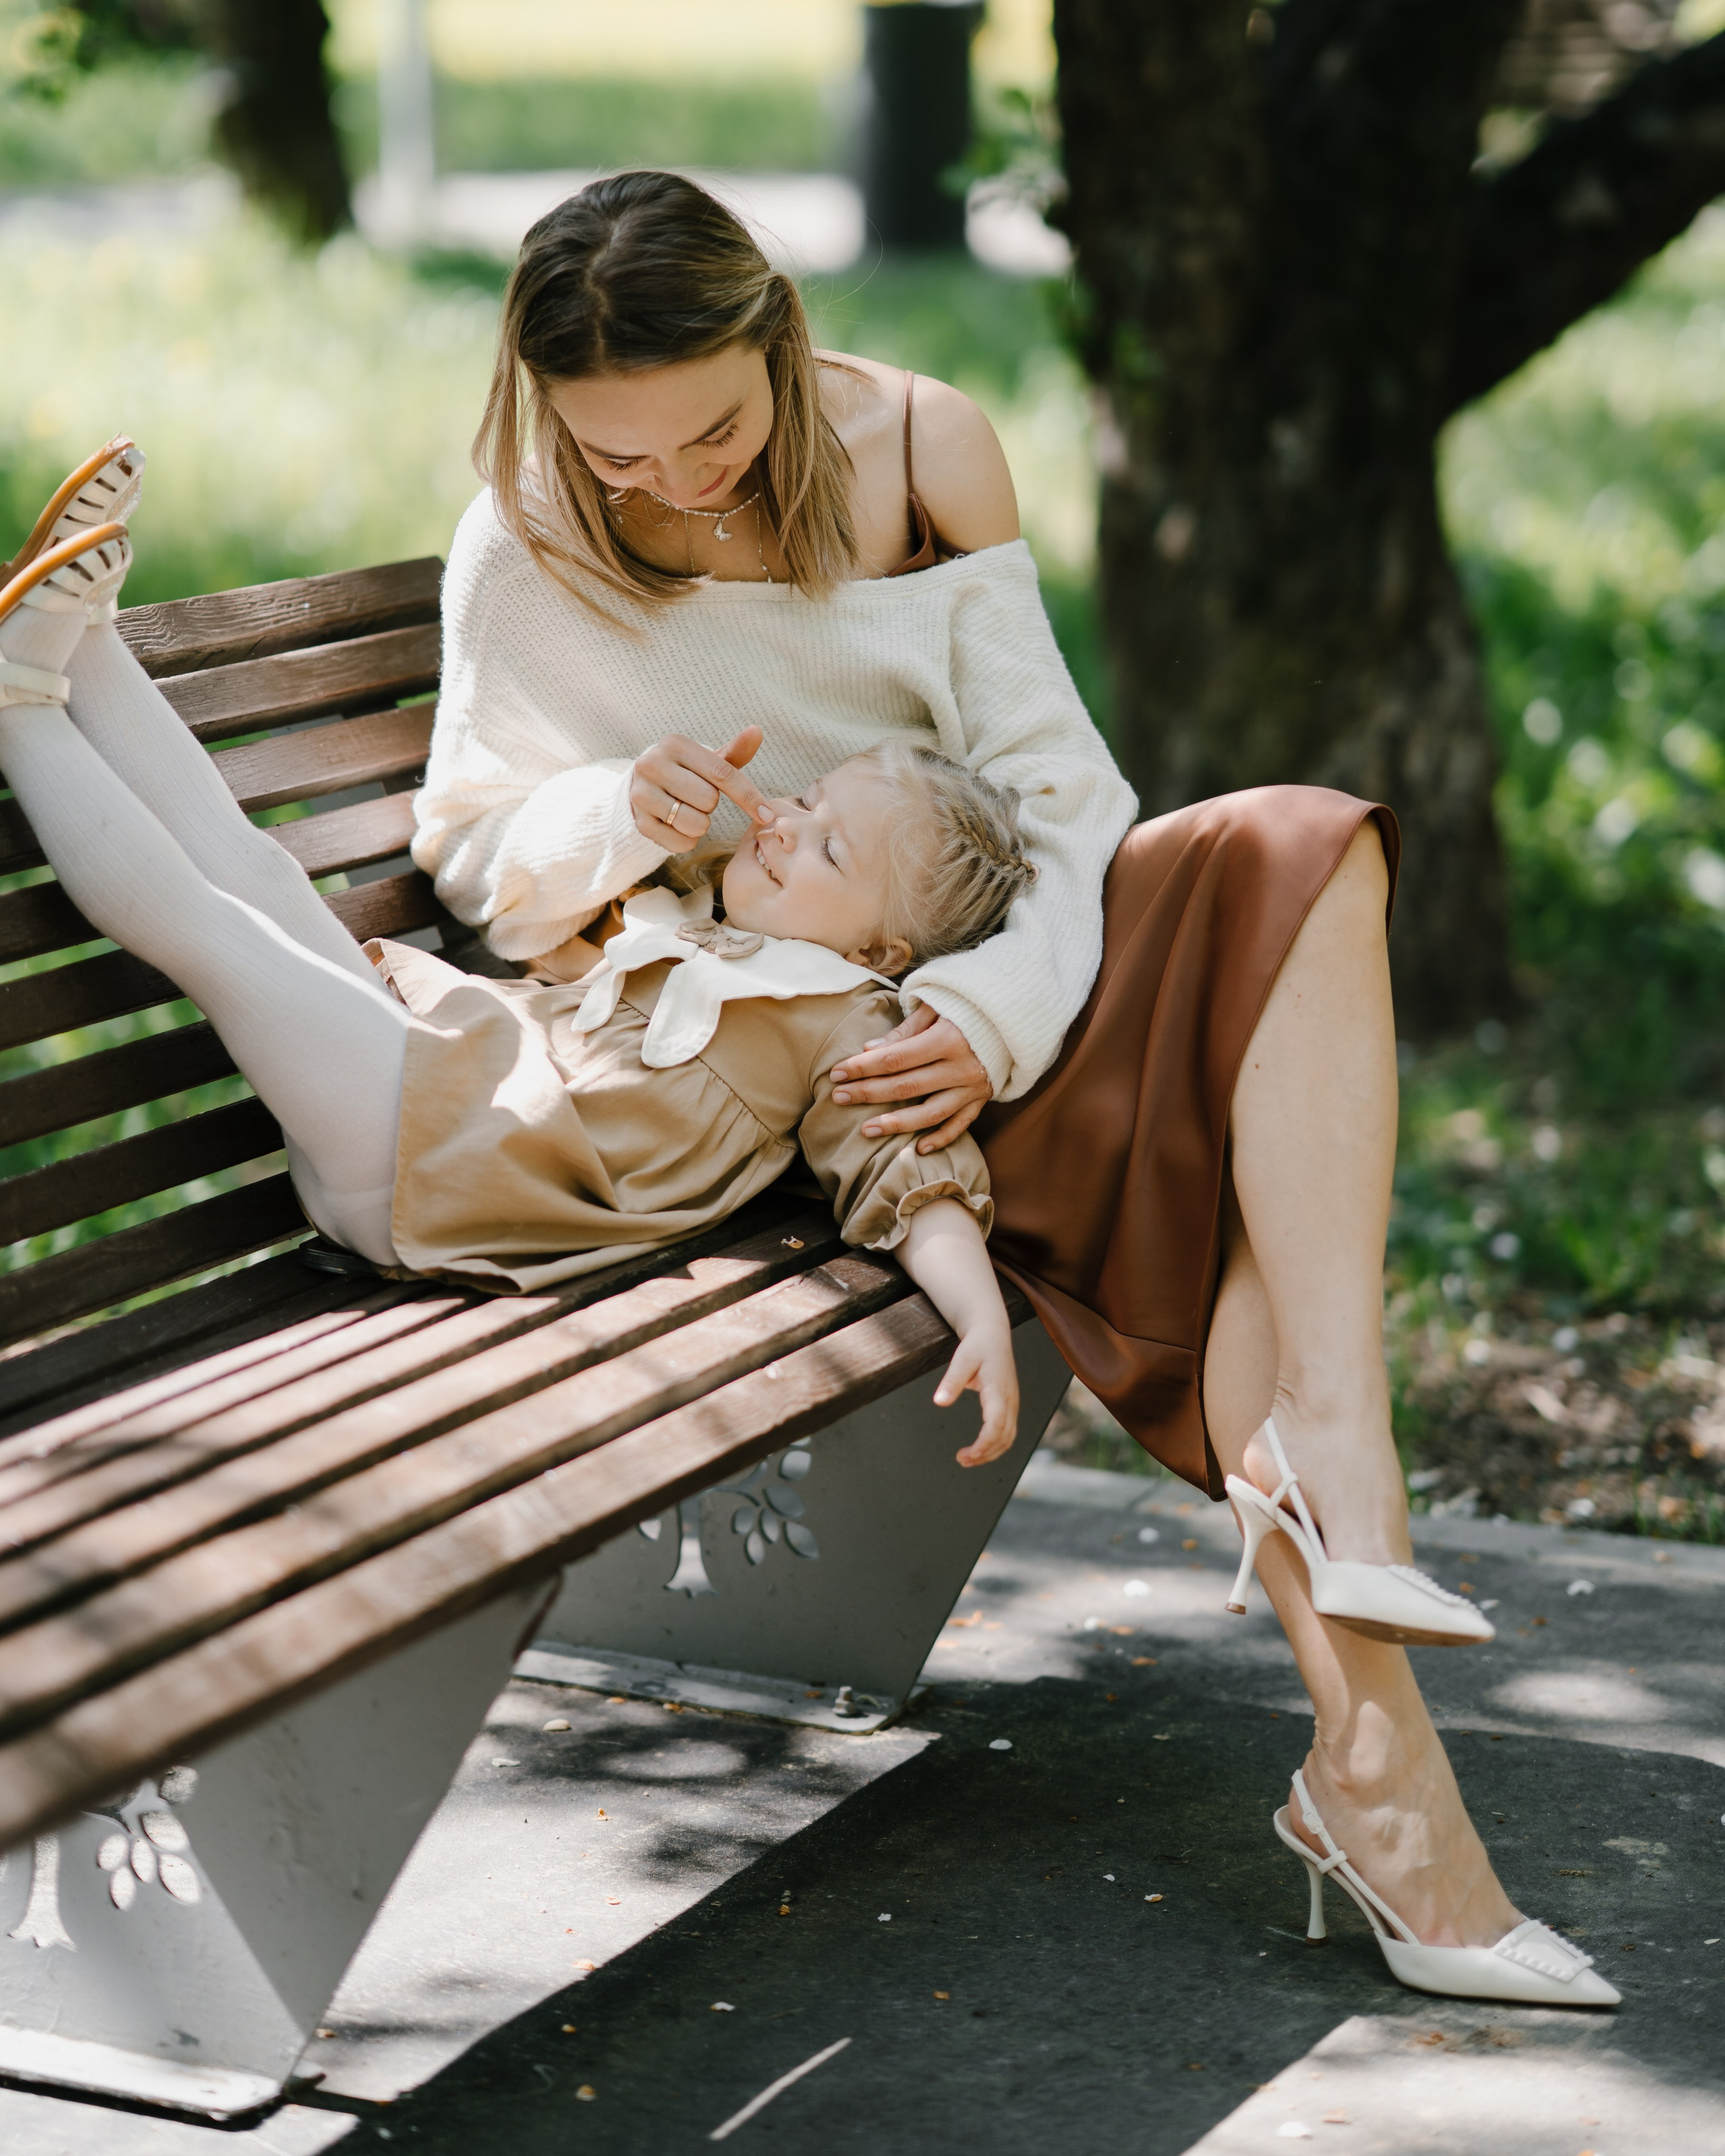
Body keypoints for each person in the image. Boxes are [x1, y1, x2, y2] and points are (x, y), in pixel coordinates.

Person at [404, 170, 1619, 2006]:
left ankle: (1341, 1493)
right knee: (1236, 1202)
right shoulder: (530, 541)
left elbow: (1066, 806)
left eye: (712, 432)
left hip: (979, 1002)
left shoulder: (920, 453)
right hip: (799, 1065)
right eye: (614, 455)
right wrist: (605, 818)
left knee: (1305, 849)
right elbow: (472, 859)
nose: (671, 486)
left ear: (783, 337)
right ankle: (1383, 1778)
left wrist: (983, 1020)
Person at [0, 482, 1044, 1462]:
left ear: (877, 954)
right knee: (260, 880)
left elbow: (913, 1183)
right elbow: (521, 909)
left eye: (829, 851)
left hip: (453, 1162)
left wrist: (980, 1315)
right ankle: (88, 644)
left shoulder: (848, 1022)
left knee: (217, 934)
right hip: (422, 1102)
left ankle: (17, 707)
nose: (782, 824)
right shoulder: (684, 917)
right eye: (810, 800)